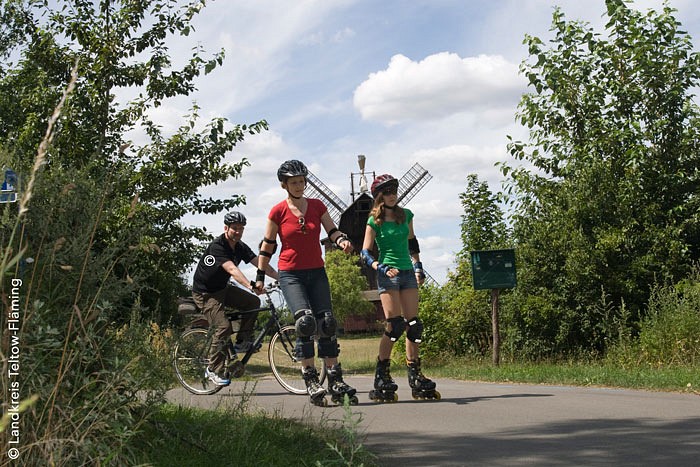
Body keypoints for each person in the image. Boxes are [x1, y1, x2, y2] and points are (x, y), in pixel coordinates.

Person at [255, 159, 358, 406]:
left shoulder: (317, 205)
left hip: (316, 271)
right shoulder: (277, 211)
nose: (300, 186)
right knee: (305, 322)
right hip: (291, 274)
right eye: (294, 182)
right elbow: (268, 245)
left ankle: (335, 379)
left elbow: (331, 230)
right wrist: (260, 275)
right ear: (284, 185)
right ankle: (311, 379)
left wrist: (341, 240)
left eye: (302, 181)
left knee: (327, 322)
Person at [360, 174, 440, 401]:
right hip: (388, 274)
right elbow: (364, 253)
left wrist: (418, 267)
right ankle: (382, 374)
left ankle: (415, 373)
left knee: (414, 325)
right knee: (394, 326)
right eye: (387, 192)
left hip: (407, 273)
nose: (392, 196)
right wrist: (380, 267)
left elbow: (412, 242)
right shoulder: (373, 221)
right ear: (379, 196)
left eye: (394, 191)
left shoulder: (406, 215)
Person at [192, 211, 278, 386]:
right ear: (226, 228)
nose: (238, 232)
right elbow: (232, 270)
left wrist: (281, 278)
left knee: (252, 302)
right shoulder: (218, 246)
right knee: (223, 327)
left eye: (241, 228)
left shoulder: (240, 246)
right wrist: (250, 285)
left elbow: (259, 262)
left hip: (223, 289)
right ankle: (212, 369)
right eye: (234, 228)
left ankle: (242, 343)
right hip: (206, 293)